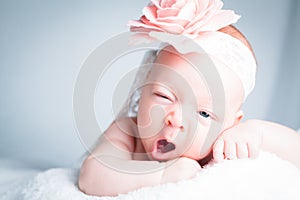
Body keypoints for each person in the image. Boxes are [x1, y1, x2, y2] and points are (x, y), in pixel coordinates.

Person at [78, 0, 300, 197]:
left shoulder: (220, 144)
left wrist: (258, 132)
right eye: (164, 96)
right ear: (143, 88)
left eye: (204, 113)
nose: (175, 119)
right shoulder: (128, 131)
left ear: (231, 123)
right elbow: (92, 175)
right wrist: (161, 176)